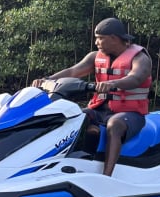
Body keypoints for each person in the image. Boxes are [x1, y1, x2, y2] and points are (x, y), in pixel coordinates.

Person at [32, 17, 152, 177]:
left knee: (114, 125)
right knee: (73, 117)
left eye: (100, 38)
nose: (96, 42)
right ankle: (68, 165)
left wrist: (113, 83)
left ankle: (106, 176)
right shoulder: (95, 57)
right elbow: (73, 71)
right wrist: (47, 80)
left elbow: (136, 78)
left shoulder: (140, 58)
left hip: (130, 114)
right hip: (99, 110)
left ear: (114, 38)